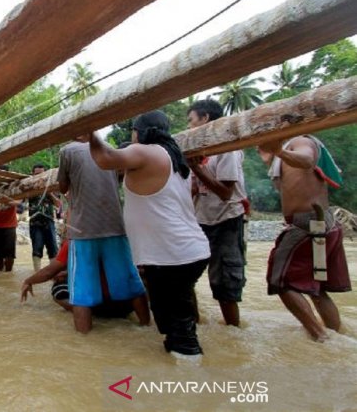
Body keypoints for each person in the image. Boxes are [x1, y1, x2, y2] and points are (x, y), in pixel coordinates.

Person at [88, 111, 211, 358]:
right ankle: (180, 363)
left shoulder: (148, 151)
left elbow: (105, 157)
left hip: (173, 255)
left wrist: (89, 129)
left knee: (180, 331)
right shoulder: (175, 159)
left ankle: (190, 380)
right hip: (181, 252)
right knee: (172, 321)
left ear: (139, 132)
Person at [258, 135, 351, 342]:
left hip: (308, 224)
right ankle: (337, 340)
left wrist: (279, 152)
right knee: (316, 289)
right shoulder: (291, 145)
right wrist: (274, 154)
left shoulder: (300, 140)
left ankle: (321, 338)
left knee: (280, 282)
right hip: (320, 222)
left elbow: (307, 160)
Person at [58, 137, 149, 334]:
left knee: (80, 292)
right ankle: (146, 328)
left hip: (83, 231)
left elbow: (63, 187)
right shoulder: (109, 148)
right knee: (132, 282)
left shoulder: (67, 151)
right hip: (115, 227)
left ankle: (84, 341)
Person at [186, 99, 247, 327]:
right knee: (185, 277)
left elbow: (225, 192)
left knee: (225, 284)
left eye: (192, 121)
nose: (190, 126)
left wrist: (195, 169)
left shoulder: (226, 148)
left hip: (226, 221)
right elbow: (194, 190)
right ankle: (195, 325)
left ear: (205, 119)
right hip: (201, 221)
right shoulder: (202, 151)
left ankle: (233, 332)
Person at [21, 239, 136, 321]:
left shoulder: (75, 241)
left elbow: (48, 273)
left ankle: (85, 316)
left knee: (58, 287)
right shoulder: (121, 237)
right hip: (127, 304)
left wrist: (28, 281)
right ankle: (145, 322)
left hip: (99, 307)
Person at [27, 163, 60, 271]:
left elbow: (58, 204)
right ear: (32, 174)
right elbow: (19, 201)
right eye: (36, 174)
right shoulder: (29, 187)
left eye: (42, 174)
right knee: (37, 248)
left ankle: (53, 274)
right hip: (34, 221)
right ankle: (37, 273)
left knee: (53, 248)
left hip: (49, 220)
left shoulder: (52, 186)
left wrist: (48, 192)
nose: (39, 177)